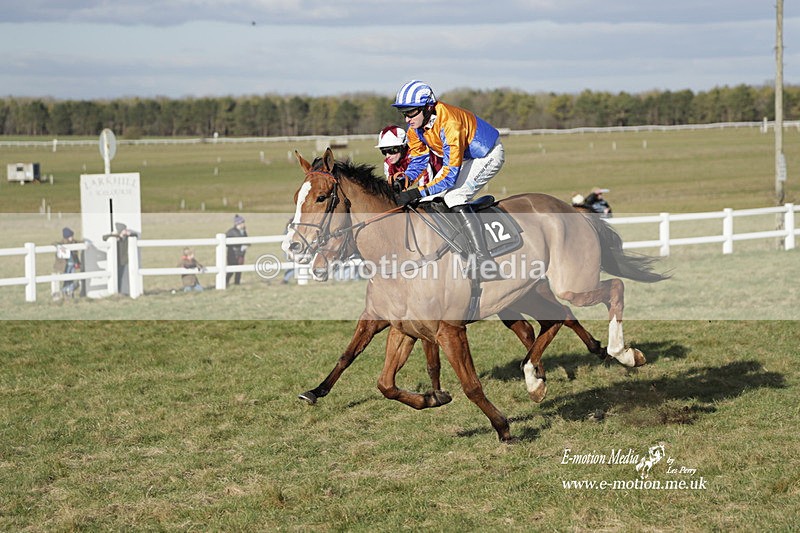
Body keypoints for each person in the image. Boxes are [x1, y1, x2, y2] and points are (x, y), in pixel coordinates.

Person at [390, 80, 505, 280]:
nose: (407, 119)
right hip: (466, 158)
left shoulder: (450, 123)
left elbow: (449, 176)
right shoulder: (415, 127)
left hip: (487, 154)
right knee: (428, 201)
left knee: (454, 196)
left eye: (410, 112)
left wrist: (417, 191)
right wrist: (406, 179)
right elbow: (418, 158)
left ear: (427, 108)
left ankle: (484, 259)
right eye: (404, 113)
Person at [375, 125, 442, 188]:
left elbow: (425, 188)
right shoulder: (388, 164)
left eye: (392, 150)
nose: (388, 156)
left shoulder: (418, 159)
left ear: (403, 147)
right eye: (384, 152)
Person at [53, 227, 81, 299]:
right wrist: (59, 246)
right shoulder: (62, 243)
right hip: (66, 265)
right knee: (67, 278)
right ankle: (65, 291)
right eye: (70, 236)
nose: (72, 238)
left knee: (72, 277)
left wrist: (86, 243)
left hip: (73, 264)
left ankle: (69, 291)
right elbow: (54, 243)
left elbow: (80, 242)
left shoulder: (73, 242)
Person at [226, 214, 248, 286]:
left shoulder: (244, 232)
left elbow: (247, 240)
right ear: (237, 223)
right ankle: (226, 281)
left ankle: (237, 283)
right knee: (231, 270)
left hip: (241, 253)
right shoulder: (231, 232)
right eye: (242, 223)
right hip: (233, 254)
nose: (243, 224)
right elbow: (226, 242)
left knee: (239, 269)